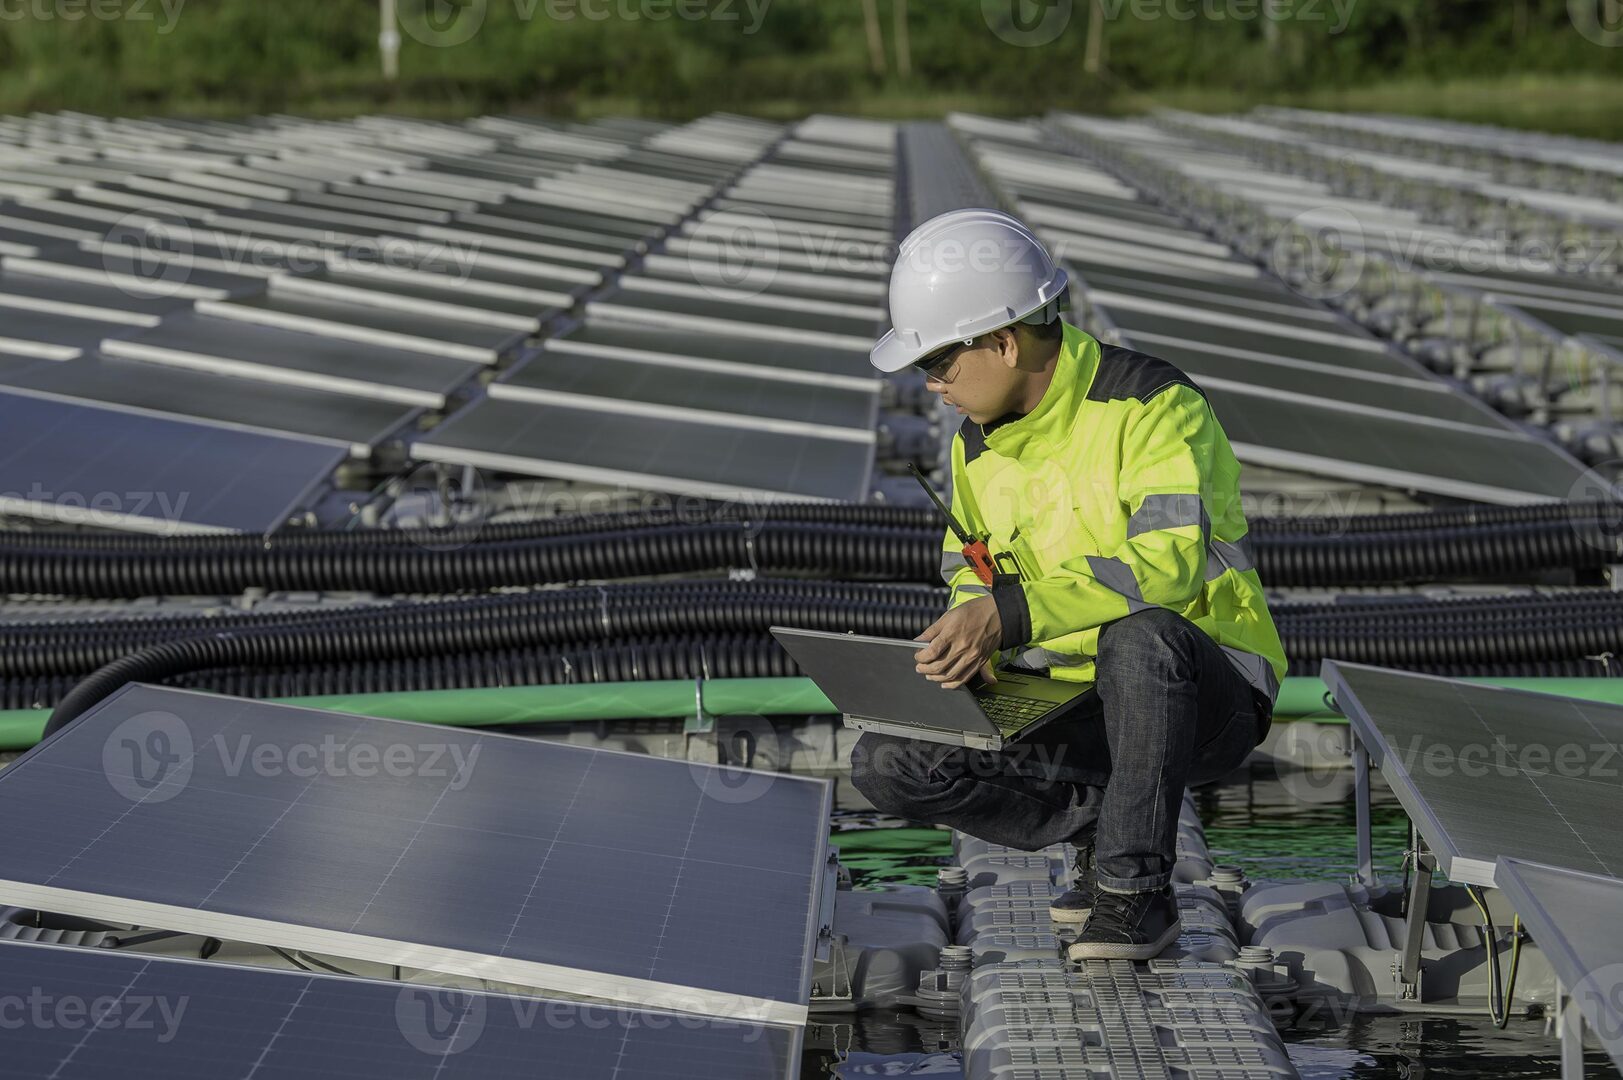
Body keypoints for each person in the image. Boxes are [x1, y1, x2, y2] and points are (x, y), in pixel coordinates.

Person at [855, 208, 1286, 961]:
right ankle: (1104, 822)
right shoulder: (974, 447)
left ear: (1002, 341)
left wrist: (1009, 616)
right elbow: (971, 570)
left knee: (1142, 638)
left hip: (1192, 699)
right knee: (888, 762)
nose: (932, 386)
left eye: (940, 364)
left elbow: (1168, 565)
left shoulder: (1151, 404)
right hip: (1066, 702)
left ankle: (1133, 895)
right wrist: (970, 640)